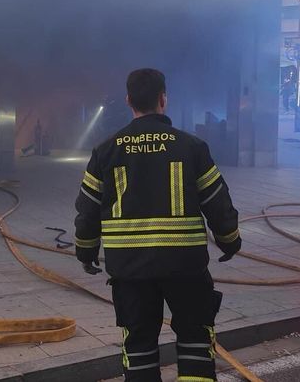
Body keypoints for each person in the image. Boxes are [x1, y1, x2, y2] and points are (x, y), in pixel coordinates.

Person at [75, 68, 241, 382]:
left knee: (138, 345)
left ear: (128, 101)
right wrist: (230, 241)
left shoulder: (106, 151)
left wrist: (85, 252)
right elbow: (218, 203)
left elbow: (87, 210)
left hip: (130, 270)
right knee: (195, 341)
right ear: (163, 99)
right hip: (186, 267)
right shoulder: (191, 147)